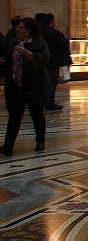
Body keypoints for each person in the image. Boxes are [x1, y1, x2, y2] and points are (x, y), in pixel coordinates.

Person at [0, 18, 50, 155]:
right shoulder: (13, 43)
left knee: (37, 115)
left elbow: (43, 59)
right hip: (16, 86)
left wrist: (26, 53)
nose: (17, 29)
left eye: (21, 28)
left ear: (28, 31)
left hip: (33, 86)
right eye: (17, 27)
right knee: (14, 116)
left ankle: (40, 141)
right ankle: (8, 145)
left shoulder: (38, 42)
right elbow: (10, 63)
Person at [37, 13, 69, 111]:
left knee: (43, 82)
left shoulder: (39, 32)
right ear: (51, 21)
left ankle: (42, 101)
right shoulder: (53, 33)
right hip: (52, 61)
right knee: (51, 82)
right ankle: (49, 102)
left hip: (42, 61)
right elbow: (62, 44)